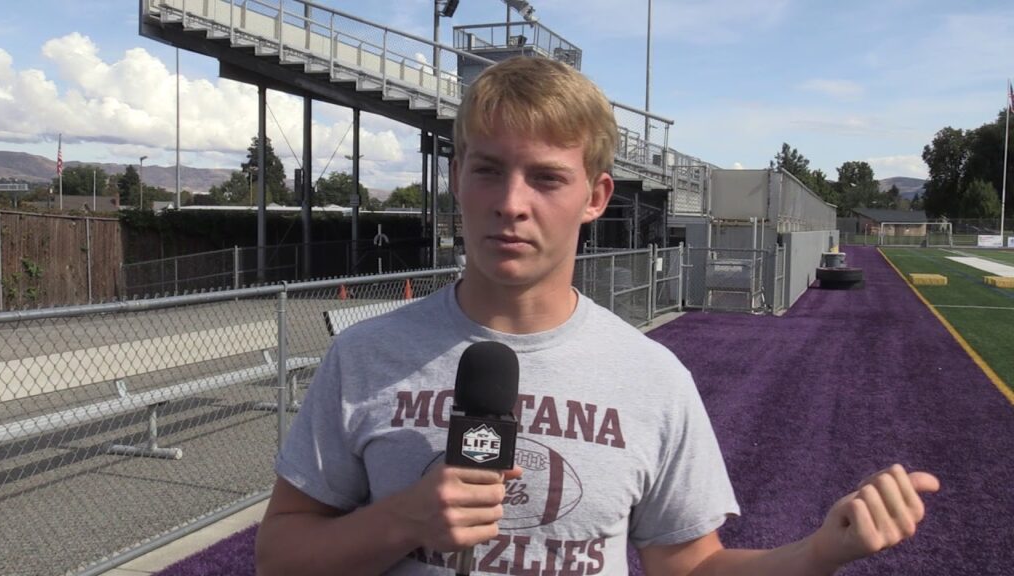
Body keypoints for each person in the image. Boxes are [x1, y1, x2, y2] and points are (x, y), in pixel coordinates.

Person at [255, 56, 939, 576]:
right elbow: (278, 552)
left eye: (546, 177)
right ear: (457, 175)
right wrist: (403, 519)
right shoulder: (365, 356)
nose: (511, 202)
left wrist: (819, 551)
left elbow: (691, 565)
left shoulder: (653, 379)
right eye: (488, 170)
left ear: (595, 195)